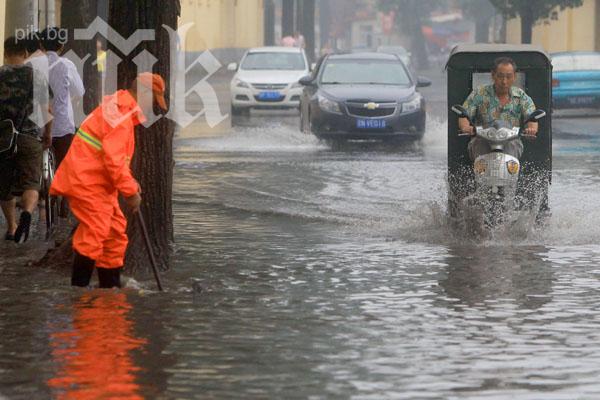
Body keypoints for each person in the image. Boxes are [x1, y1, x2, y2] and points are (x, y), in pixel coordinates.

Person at [50, 73, 168, 289]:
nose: (152, 107)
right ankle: (78, 294)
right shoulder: (121, 115)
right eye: (152, 100)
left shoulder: (119, 108)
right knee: (95, 231)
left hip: (95, 181)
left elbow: (115, 157)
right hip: (86, 181)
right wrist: (130, 191)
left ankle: (109, 290)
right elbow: (113, 160)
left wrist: (129, 183)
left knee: (114, 232)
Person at [0, 37, 52, 243]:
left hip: (2, 139)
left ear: (5, 53)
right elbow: (46, 110)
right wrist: (47, 133)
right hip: (29, 136)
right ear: (25, 53)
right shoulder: (36, 76)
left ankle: (12, 227)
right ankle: (28, 212)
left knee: (3, 186)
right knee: (32, 182)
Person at [458, 57, 538, 161]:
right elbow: (464, 115)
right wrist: (465, 127)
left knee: (512, 146)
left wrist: (531, 129)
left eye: (508, 77)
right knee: (478, 145)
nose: (504, 81)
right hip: (482, 140)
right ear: (493, 75)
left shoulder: (521, 96)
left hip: (511, 142)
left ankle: (511, 175)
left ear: (514, 77)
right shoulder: (480, 93)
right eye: (500, 76)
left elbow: (532, 117)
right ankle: (480, 175)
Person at [40, 27, 85, 168]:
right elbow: (79, 91)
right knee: (64, 169)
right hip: (62, 127)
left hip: (37, 127)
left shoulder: (33, 65)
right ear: (62, 45)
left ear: (41, 45)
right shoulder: (67, 65)